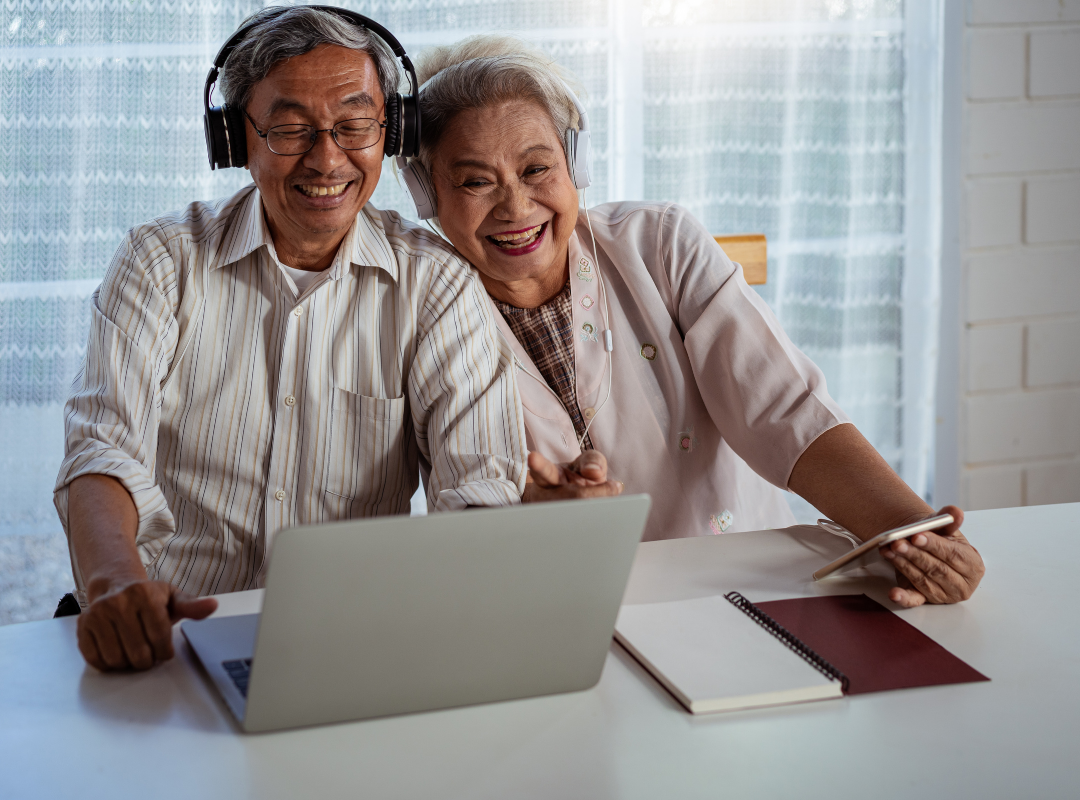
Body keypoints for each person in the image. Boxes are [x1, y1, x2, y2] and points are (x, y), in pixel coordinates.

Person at [402, 35, 985, 608]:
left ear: (573, 162)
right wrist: (532, 519)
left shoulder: (660, 243)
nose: (515, 207)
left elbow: (786, 410)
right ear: (426, 194)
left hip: (751, 585)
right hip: (563, 606)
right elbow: (466, 510)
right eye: (475, 181)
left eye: (536, 169)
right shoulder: (422, 308)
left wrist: (913, 533)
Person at [53, 8, 539, 672]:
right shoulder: (160, 261)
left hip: (352, 646)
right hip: (176, 639)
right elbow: (103, 449)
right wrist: (113, 584)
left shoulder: (437, 285)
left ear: (389, 132)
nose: (327, 157)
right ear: (234, 139)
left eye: (355, 123)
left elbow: (479, 485)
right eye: (288, 128)